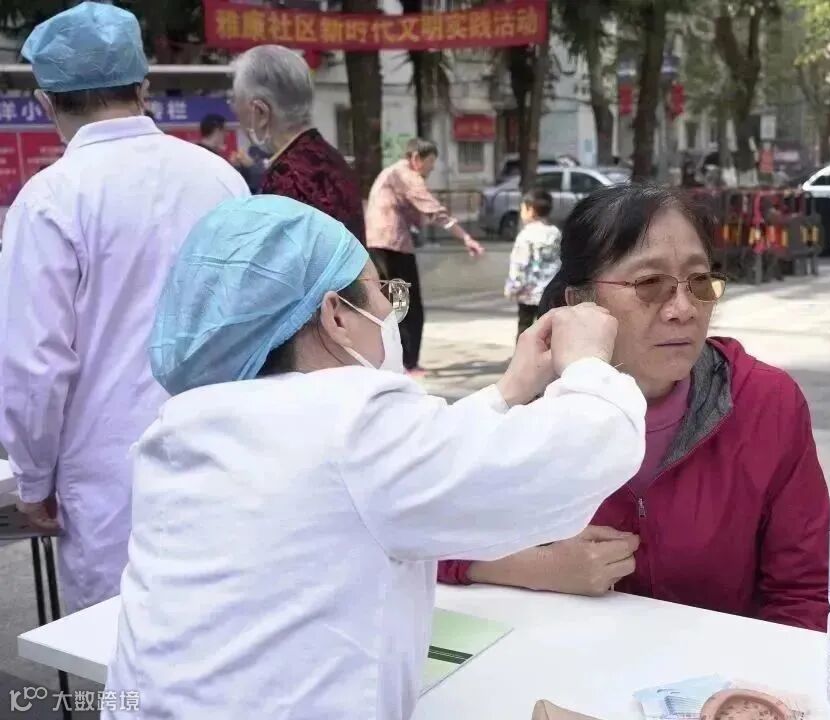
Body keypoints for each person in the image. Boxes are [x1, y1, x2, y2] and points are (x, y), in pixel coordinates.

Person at [103, 195, 646, 720]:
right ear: (336, 315)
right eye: (381, 291)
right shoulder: (351, 419)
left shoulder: (185, 426)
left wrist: (507, 392)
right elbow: (579, 452)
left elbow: (403, 467)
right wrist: (588, 364)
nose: (390, 310)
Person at [438, 184, 830, 632]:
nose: (683, 309)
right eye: (649, 284)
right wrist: (536, 566)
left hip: (723, 671)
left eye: (699, 281)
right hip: (563, 662)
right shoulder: (533, 404)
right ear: (581, 302)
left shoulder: (765, 403)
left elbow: (805, 592)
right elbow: (410, 533)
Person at [0, 2, 249, 613]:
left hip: (109, 483)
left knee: (114, 647)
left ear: (47, 102)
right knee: (221, 630)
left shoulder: (50, 200)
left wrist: (33, 480)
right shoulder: (221, 180)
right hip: (226, 459)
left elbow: (34, 365)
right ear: (143, 87)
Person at [367, 138, 486, 376]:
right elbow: (435, 211)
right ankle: (409, 363)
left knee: (390, 304)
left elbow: (415, 214)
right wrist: (465, 238)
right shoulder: (407, 176)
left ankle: (392, 361)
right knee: (408, 306)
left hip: (377, 244)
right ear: (416, 159)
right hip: (394, 246)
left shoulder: (391, 173)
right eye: (430, 162)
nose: (432, 168)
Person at [231, 44, 366, 245]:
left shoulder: (285, 178)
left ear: (260, 112)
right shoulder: (333, 160)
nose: (234, 110)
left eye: (235, 101)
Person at [505, 188, 561, 337]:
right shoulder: (555, 233)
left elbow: (519, 264)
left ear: (531, 210)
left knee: (525, 327)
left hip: (528, 294)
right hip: (549, 292)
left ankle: (525, 352)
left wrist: (513, 287)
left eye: (523, 208)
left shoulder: (525, 236)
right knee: (547, 331)